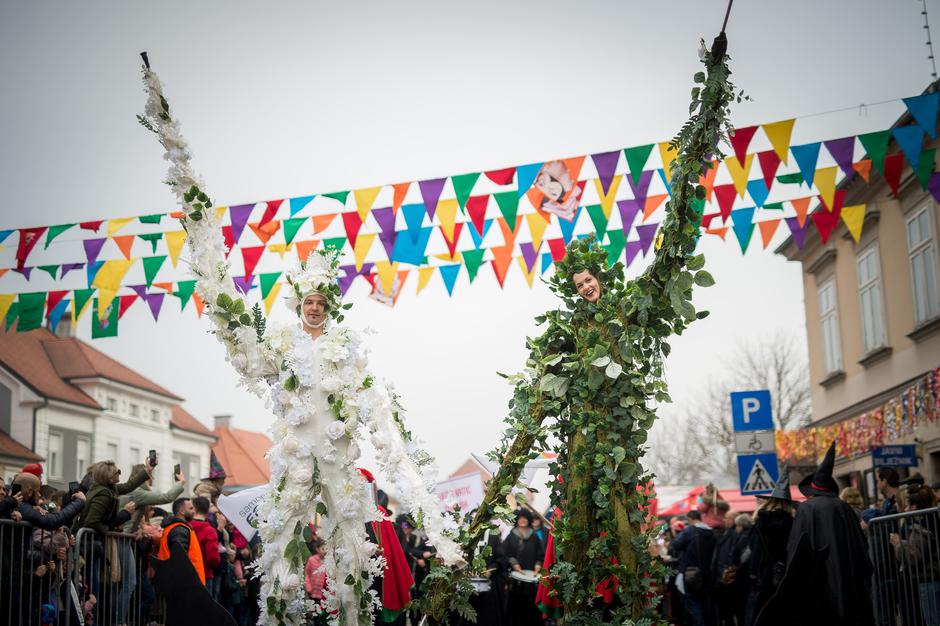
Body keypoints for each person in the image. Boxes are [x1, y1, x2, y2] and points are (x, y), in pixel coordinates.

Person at [140, 64, 464, 623]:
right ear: (298, 305)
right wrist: (215, 278)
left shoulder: (347, 349)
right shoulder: (284, 345)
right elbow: (246, 351)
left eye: (321, 300)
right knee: (282, 554)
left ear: (330, 306)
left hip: (338, 461)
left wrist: (427, 511)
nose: (314, 306)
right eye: (307, 300)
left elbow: (379, 418)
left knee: (352, 553)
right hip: (293, 461)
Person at [758, 442, 874, 625]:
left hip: (819, 586)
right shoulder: (845, 508)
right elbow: (861, 547)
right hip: (850, 583)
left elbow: (796, 550)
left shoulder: (807, 509)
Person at [745, 469, 796, 626]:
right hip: (787, 574)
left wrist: (753, 572)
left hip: (766, 574)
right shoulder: (793, 523)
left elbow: (755, 550)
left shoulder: (761, 522)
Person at [890, 482, 940, 625]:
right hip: (929, 580)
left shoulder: (920, 528)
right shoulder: (929, 521)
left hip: (928, 580)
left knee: (933, 621)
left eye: (907, 506)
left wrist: (898, 544)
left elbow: (914, 556)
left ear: (914, 507)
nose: (905, 509)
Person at [669, 509, 717, 626]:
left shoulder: (689, 530)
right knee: (706, 604)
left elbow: (675, 545)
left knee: (692, 603)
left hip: (691, 573)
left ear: (690, 519)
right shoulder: (711, 532)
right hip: (708, 573)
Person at [499, 508, 544, 626]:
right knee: (515, 606)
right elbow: (503, 554)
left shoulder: (534, 536)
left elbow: (540, 554)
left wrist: (538, 564)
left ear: (528, 519)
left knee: (530, 606)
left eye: (525, 518)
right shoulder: (511, 536)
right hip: (515, 581)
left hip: (531, 580)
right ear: (516, 520)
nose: (522, 520)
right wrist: (513, 562)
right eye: (520, 518)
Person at [120, 463, 186, 532]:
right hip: (125, 535)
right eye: (150, 475)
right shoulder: (138, 493)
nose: (153, 478)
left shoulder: (132, 490)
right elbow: (167, 497)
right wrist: (181, 482)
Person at [157, 497, 205, 584]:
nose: (194, 511)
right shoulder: (179, 530)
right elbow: (180, 560)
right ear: (182, 511)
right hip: (185, 583)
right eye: (191, 508)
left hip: (180, 582)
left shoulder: (177, 528)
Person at [191, 496, 222, 597]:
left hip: (188, 572)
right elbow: (213, 557)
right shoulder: (209, 530)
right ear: (207, 510)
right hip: (205, 573)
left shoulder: (187, 526)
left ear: (194, 508)